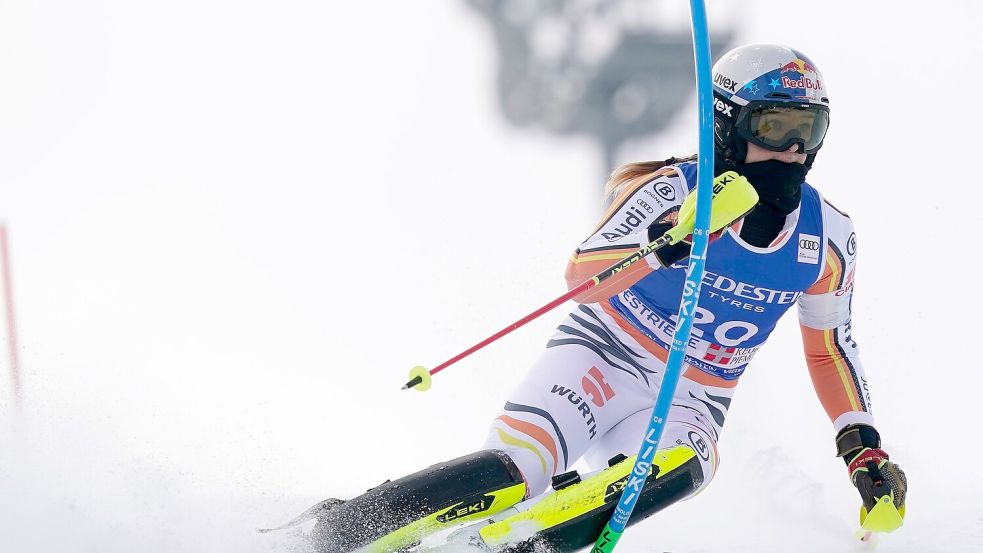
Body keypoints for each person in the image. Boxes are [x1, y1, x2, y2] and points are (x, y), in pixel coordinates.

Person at [302, 43, 907, 553]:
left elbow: (830, 347)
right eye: (776, 127)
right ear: (728, 123)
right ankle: (332, 533)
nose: (794, 150)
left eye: (811, 129)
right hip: (599, 356)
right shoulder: (673, 188)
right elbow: (580, 275)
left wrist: (862, 448)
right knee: (519, 471)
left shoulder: (828, 236)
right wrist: (666, 242)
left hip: (692, 394)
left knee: (685, 467)